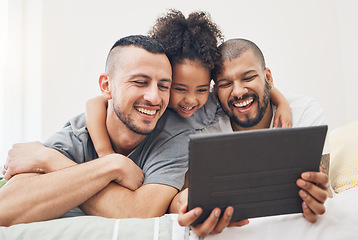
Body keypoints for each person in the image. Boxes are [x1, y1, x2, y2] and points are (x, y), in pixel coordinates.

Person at [84, 10, 292, 237]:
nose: (191, 100)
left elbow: (244, 87)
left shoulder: (210, 105)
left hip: (164, 182)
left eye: (201, 89)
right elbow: (95, 104)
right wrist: (106, 156)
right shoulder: (153, 100)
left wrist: (280, 101)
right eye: (179, 89)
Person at [0, 35, 195, 226]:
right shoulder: (76, 135)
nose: (154, 98)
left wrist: (50, 160)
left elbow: (139, 213)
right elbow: (5, 209)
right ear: (106, 86)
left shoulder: (175, 134)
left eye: (163, 86)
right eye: (140, 82)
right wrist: (112, 165)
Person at [173, 38, 331, 237]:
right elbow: (183, 193)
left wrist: (320, 195)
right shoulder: (204, 132)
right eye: (226, 84)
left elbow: (326, 186)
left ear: (268, 77)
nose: (238, 91)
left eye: (248, 78)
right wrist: (188, 205)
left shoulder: (305, 112)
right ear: (215, 93)